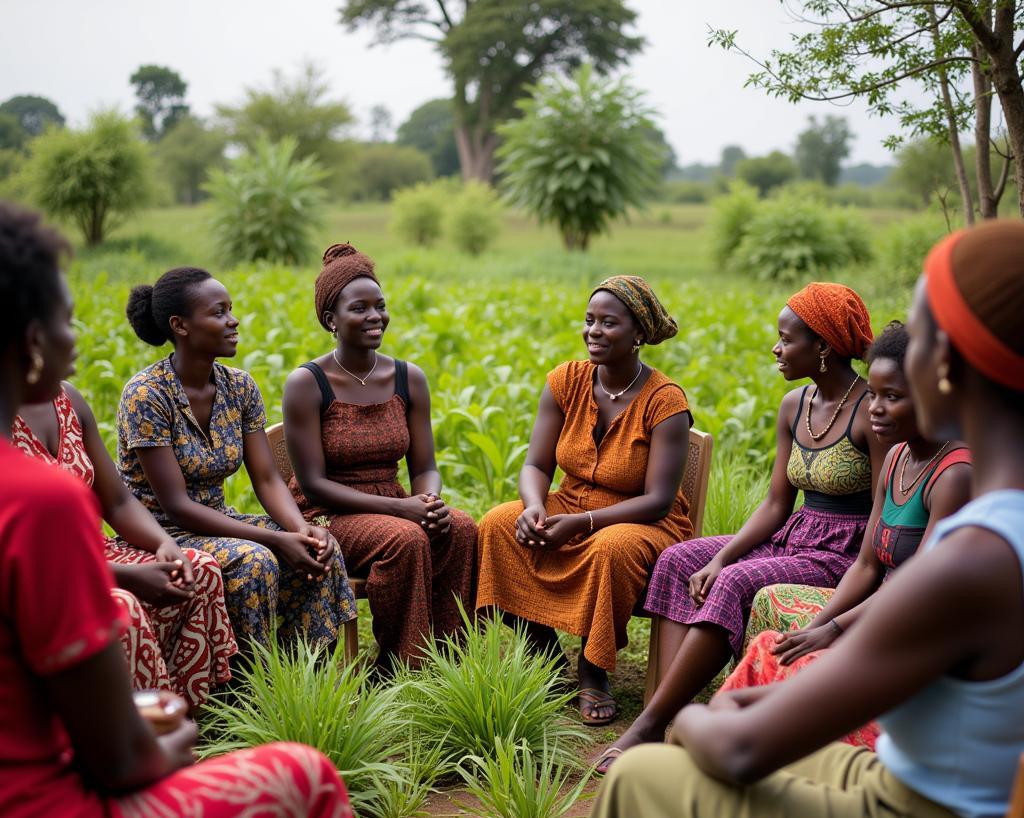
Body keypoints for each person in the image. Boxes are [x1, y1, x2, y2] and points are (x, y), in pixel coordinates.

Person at [443, 218, 1024, 818]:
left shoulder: (973, 558)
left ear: (949, 364)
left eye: (915, 332)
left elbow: (745, 746)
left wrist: (681, 721)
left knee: (652, 776)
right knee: (718, 747)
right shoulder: (996, 526)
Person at [0, 201, 351, 818]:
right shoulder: (39, 503)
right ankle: (234, 706)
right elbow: (117, 761)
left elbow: (262, 480)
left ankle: (305, 678)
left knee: (287, 553)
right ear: (26, 343)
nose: (76, 338)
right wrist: (169, 738)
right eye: (62, 319)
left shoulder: (223, 388)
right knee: (311, 788)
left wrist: (290, 530)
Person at [597, 282, 885, 767]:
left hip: (843, 552)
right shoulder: (795, 407)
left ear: (823, 348)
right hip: (795, 534)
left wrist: (729, 568)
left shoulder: (870, 412)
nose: (776, 348)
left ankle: (648, 728)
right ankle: (668, 714)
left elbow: (882, 508)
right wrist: (720, 554)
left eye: (786, 339)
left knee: (731, 583)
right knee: (679, 559)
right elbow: (777, 504)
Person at [717, 321, 971, 752]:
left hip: (916, 628)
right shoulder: (896, 458)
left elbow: (916, 589)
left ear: (933, 395)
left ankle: (777, 756)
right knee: (774, 647)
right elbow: (867, 564)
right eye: (872, 394)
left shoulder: (954, 476)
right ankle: (741, 747)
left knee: (810, 669)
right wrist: (814, 630)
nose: (874, 408)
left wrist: (834, 630)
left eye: (893, 397)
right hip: (877, 610)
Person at [475, 276, 692, 723]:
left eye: (608, 323)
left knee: (611, 548)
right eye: (589, 320)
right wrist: (534, 505)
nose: (594, 330)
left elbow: (658, 501)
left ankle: (593, 671)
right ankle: (542, 650)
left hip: (644, 523)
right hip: (571, 502)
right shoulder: (566, 381)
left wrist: (584, 523)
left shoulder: (665, 402)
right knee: (498, 524)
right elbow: (536, 466)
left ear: (638, 335)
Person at [117, 266, 355, 656]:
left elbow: (266, 479)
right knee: (255, 561)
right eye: (219, 312)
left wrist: (299, 529)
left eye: (231, 309)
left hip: (217, 522)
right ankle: (247, 684)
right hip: (161, 534)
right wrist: (276, 538)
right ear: (180, 326)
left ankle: (309, 678)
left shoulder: (238, 386)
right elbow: (177, 507)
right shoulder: (147, 395)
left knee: (320, 547)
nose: (234, 320)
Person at [283, 243, 477, 670]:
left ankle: (448, 661)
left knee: (460, 528)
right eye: (360, 308)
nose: (376, 316)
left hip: (393, 502)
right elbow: (313, 483)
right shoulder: (308, 383)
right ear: (331, 320)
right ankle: (402, 665)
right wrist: (402, 510)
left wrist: (428, 501)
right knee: (404, 538)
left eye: (381, 306)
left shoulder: (407, 377)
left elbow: (424, 467)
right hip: (327, 512)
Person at [14, 382, 237, 708]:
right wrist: (124, 576)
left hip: (93, 550)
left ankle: (189, 715)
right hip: (41, 573)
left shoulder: (68, 399)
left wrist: (164, 543)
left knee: (198, 569)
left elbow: (117, 501)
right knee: (122, 607)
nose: (73, 340)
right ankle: (141, 730)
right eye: (60, 328)